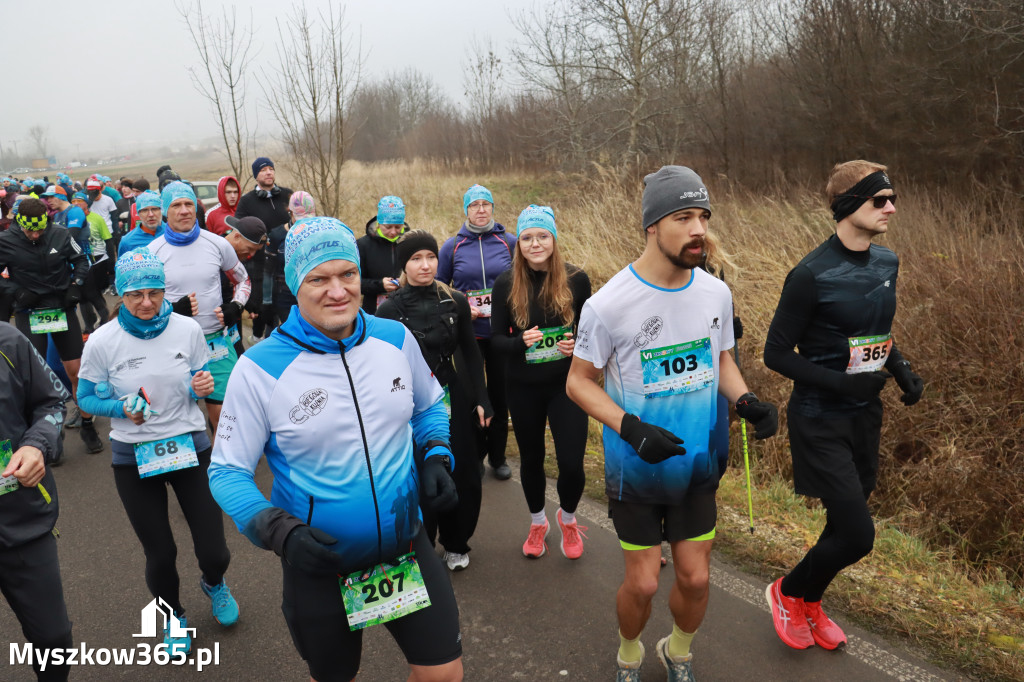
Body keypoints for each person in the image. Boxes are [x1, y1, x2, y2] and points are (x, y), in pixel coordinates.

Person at [209, 217, 464, 682]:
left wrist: (435, 456)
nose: (338, 291)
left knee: (443, 674)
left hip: (406, 546)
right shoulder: (259, 368)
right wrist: (278, 531)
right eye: (318, 279)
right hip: (322, 564)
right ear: (294, 284)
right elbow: (227, 471)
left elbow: (430, 407)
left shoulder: (394, 338)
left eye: (347, 274)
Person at [566, 166, 779, 681]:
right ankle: (629, 655)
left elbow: (720, 360)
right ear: (652, 226)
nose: (698, 229)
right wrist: (631, 427)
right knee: (641, 584)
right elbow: (579, 382)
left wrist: (746, 399)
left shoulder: (715, 294)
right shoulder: (608, 304)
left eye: (703, 217)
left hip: (698, 462)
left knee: (696, 578)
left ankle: (677, 651)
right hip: (636, 466)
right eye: (683, 217)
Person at [762, 160, 924, 651]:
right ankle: (787, 592)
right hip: (819, 417)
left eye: (892, 198)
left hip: (864, 415)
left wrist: (901, 369)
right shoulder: (810, 274)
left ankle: (811, 600)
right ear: (849, 205)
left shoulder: (886, 263)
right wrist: (840, 384)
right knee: (858, 535)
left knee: (841, 525)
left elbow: (875, 332)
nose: (891, 207)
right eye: (880, 200)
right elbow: (775, 354)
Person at [77, 249, 239, 655]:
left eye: (154, 292)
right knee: (161, 552)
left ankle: (214, 582)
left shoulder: (187, 329)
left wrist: (198, 388)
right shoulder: (103, 340)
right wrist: (119, 407)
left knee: (214, 549)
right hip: (133, 457)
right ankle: (173, 615)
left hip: (189, 446)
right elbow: (84, 399)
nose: (146, 303)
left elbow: (197, 378)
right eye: (135, 295)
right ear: (121, 296)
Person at [377, 229, 493, 572]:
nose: (425, 265)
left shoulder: (454, 300)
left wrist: (481, 398)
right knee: (416, 474)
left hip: (450, 394)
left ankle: (457, 542)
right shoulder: (388, 311)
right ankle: (421, 544)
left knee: (465, 474)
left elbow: (471, 354)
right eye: (416, 259)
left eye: (430, 257)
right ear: (404, 265)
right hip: (408, 401)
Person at [490, 205, 592, 559]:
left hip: (567, 385)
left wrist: (574, 344)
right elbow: (496, 342)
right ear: (518, 243)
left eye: (542, 236)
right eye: (528, 237)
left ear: (554, 239)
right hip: (523, 386)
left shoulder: (577, 279)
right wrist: (520, 342)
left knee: (572, 463)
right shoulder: (505, 283)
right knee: (532, 459)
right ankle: (538, 523)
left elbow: (590, 335)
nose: (535, 243)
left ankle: (567, 517)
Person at [0, 319, 73, 682]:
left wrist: (35, 445)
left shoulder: (8, 340)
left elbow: (52, 403)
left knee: (54, 639)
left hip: (21, 520)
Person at [0, 198, 103, 454]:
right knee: (33, 378)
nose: (35, 234)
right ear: (19, 225)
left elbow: (82, 259)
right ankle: (47, 437)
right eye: (30, 231)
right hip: (29, 311)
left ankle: (88, 426)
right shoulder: (5, 241)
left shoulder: (59, 233)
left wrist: (76, 285)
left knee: (77, 372)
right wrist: (15, 292)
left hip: (62, 307)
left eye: (40, 229)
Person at [147, 182, 251, 436]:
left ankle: (222, 471)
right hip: (173, 344)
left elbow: (243, 280)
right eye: (176, 205)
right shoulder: (152, 252)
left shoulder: (217, 243)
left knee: (224, 422)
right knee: (178, 423)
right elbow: (141, 304)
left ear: (196, 207)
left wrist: (236, 306)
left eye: (188, 204)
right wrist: (170, 311)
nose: (184, 211)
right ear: (165, 211)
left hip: (215, 342)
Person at [437, 184, 517, 480]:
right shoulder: (452, 246)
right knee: (471, 396)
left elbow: (522, 281)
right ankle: (475, 453)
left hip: (501, 333)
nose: (481, 209)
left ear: (492, 208)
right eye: (474, 205)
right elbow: (440, 286)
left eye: (486, 204)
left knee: (499, 395)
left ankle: (497, 457)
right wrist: (460, 307)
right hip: (468, 334)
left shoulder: (509, 242)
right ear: (466, 210)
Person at [264, 191, 313, 328]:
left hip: (310, 292)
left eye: (307, 217)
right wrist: (266, 301)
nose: (304, 222)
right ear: (290, 212)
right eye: (299, 217)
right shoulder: (277, 235)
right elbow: (268, 270)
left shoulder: (317, 232)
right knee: (292, 330)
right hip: (284, 295)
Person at [70, 192, 114, 335]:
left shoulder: (96, 218)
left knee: (95, 294)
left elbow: (108, 239)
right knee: (83, 297)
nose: (76, 203)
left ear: (86, 203)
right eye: (73, 201)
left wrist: (111, 264)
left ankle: (106, 322)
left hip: (99, 261)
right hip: (80, 262)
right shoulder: (70, 219)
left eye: (79, 201)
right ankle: (89, 326)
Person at [357, 195, 408, 314]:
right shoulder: (363, 245)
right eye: (388, 227)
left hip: (405, 308)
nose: (393, 232)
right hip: (374, 311)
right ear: (379, 223)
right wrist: (380, 285)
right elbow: (355, 282)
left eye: (398, 227)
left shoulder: (408, 242)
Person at [233, 157, 292, 234]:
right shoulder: (246, 201)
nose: (268, 172)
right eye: (263, 170)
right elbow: (239, 230)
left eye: (271, 169)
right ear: (256, 176)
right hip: (264, 245)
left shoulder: (288, 194)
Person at [118, 190, 164, 256]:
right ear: (138, 213)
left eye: (154, 209)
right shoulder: (127, 241)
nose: (150, 214)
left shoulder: (174, 232)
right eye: (145, 210)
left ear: (161, 211)